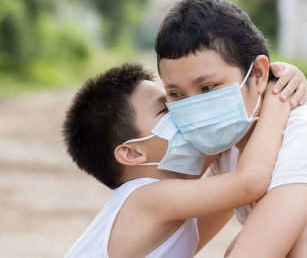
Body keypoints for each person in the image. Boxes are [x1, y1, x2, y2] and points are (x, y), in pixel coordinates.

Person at [63, 62, 295, 257]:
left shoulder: (163, 208)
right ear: (132, 153)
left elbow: (225, 161)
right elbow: (248, 183)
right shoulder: (145, 198)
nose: (183, 112)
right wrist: (279, 94)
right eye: (165, 110)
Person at [155, 0, 307, 257]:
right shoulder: (228, 145)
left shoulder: (303, 136)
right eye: (178, 95)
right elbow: (177, 245)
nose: (196, 109)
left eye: (208, 88)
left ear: (260, 74)